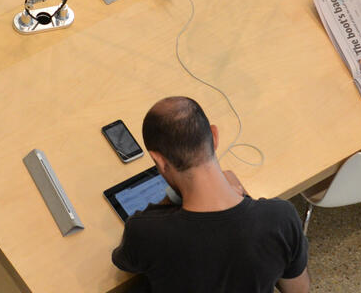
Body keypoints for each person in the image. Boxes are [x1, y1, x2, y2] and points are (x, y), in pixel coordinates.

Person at [112, 97, 310, 293]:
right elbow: (299, 290)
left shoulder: (144, 231)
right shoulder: (281, 218)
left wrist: (170, 199)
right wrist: (245, 199)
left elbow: (124, 263)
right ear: (214, 137)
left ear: (159, 159)